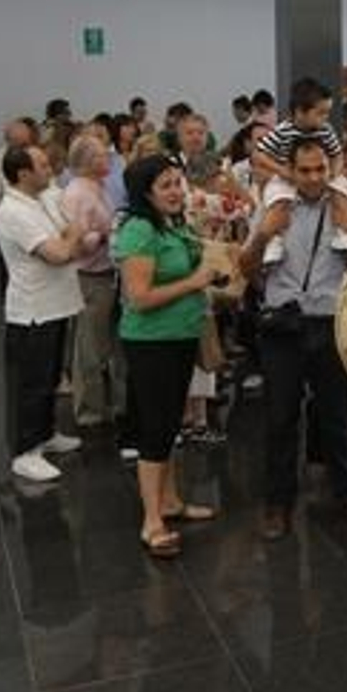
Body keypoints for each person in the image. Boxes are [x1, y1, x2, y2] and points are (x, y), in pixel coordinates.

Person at [240, 138, 347, 541]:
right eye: (305, 171)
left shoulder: (345, 203)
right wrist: (263, 236)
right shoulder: (276, 207)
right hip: (284, 325)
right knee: (280, 417)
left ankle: (346, 493)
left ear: (330, 169)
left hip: (331, 322)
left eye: (320, 170)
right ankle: (277, 503)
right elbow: (245, 267)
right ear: (290, 172)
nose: (313, 178)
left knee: (338, 414)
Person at [115, 155, 221, 556]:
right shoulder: (140, 230)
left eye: (178, 182)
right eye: (166, 185)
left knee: (171, 423)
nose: (177, 191)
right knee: (155, 431)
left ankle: (172, 500)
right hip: (151, 341)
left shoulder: (173, 224)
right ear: (146, 193)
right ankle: (152, 520)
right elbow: (139, 298)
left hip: (180, 335)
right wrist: (193, 281)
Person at [0, 146, 92, 483]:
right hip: (33, 309)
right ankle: (25, 451)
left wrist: (71, 236)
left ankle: (46, 433)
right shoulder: (12, 211)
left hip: (58, 302)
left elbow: (72, 239)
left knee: (51, 376)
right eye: (43, 165)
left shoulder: (45, 198)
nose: (50, 169)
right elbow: (59, 252)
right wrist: (73, 235)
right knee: (32, 383)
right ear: (22, 173)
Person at [253, 78, 347, 265]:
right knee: (278, 203)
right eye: (320, 113)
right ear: (300, 112)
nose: (325, 118)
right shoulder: (283, 131)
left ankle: (342, 233)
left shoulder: (325, 130)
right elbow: (258, 155)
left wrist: (333, 175)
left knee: (342, 194)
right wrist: (282, 171)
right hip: (286, 176)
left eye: (327, 113)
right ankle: (275, 241)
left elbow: (337, 154)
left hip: (323, 174)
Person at [61, 135, 121, 429]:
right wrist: (103, 235)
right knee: (89, 346)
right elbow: (74, 241)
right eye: (100, 155)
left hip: (106, 272)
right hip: (88, 276)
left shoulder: (97, 187)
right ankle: (88, 411)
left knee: (103, 344)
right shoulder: (76, 194)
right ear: (85, 161)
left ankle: (105, 404)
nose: (107, 158)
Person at [0, 117, 37, 203]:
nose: (25, 149)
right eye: (21, 145)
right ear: (8, 141)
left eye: (27, 143)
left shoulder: (34, 154)